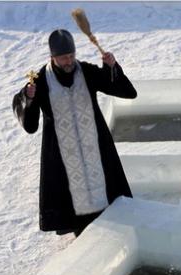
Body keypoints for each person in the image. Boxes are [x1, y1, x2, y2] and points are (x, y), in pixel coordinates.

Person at [12, 29, 137, 236]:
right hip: (63, 155)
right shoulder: (40, 80)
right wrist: (28, 96)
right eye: (64, 58)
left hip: (95, 147)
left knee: (108, 202)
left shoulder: (86, 72)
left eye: (71, 56)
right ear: (52, 57)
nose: (69, 61)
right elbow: (30, 125)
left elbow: (127, 92)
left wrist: (111, 67)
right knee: (73, 206)